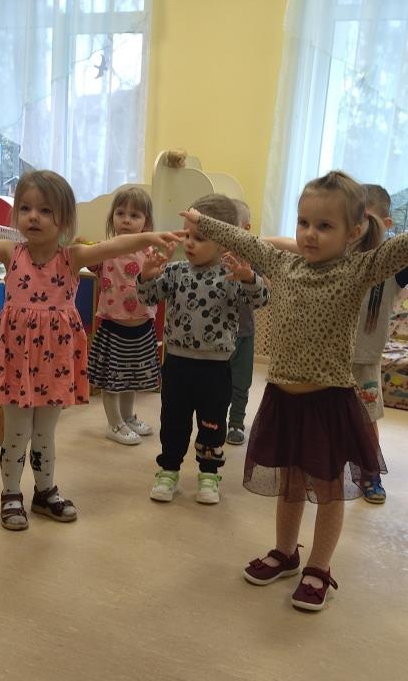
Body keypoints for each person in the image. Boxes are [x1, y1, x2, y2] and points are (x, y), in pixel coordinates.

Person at [181, 171, 408, 611]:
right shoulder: (283, 264)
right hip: (283, 399)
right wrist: (201, 220)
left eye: (324, 226)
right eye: (304, 222)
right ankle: (286, 552)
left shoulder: (359, 268)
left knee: (328, 488)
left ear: (354, 232)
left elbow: (400, 249)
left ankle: (319, 568)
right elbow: (244, 241)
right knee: (290, 482)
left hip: (328, 401)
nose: (310, 234)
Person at [0, 171, 180, 530]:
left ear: (64, 219)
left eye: (45, 210)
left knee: (45, 432)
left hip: (55, 361)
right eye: (25, 208)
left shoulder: (73, 256)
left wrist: (150, 236)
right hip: (16, 358)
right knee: (17, 431)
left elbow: (115, 246)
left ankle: (44, 491)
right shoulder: (10, 251)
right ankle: (10, 494)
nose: (33, 216)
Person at [137, 194, 269, 505]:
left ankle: (209, 474)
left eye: (199, 238)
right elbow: (147, 297)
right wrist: (147, 275)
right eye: (187, 235)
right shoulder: (176, 271)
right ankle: (168, 470)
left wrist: (249, 277)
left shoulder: (232, 274)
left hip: (216, 367)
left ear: (224, 243)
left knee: (212, 423)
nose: (189, 243)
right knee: (173, 421)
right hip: (177, 364)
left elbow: (262, 299)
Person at [87, 187, 163, 445]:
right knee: (112, 381)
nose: (126, 220)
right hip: (113, 327)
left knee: (131, 379)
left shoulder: (150, 252)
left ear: (146, 223)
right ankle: (114, 423)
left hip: (142, 327)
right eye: (120, 213)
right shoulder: (104, 249)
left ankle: (128, 417)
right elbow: (84, 259)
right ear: (112, 218)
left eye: (134, 215)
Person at [351, 185, 408, 504]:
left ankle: (370, 472)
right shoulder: (340, 258)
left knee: (366, 417)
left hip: (366, 358)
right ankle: (321, 468)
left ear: (386, 224)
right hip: (329, 357)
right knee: (324, 416)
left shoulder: (392, 265)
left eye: (367, 220)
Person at [226, 199, 261, 445]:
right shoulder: (215, 254)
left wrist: (250, 276)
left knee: (241, 381)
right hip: (219, 333)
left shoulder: (253, 255)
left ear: (245, 228)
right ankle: (214, 418)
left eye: (229, 225)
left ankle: (236, 422)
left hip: (244, 332)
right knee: (218, 381)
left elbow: (263, 291)